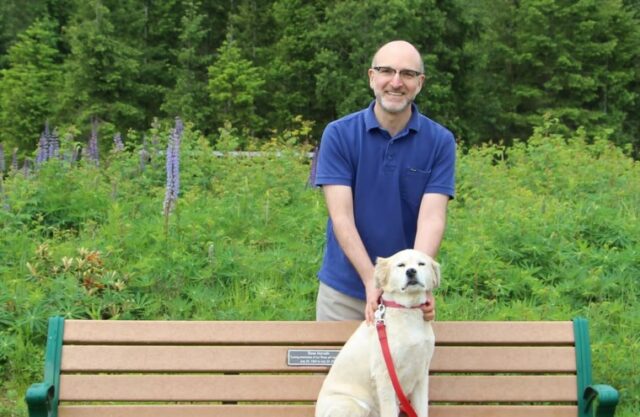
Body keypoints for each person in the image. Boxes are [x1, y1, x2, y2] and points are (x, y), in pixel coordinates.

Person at [314, 40, 456, 323]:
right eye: (386, 71)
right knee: (340, 368)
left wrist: (421, 280)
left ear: (420, 82)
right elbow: (342, 218)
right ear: (371, 77)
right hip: (343, 291)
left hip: (407, 292)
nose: (396, 82)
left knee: (402, 369)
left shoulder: (440, 141)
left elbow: (431, 220)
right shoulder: (339, 134)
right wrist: (373, 281)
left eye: (407, 74)